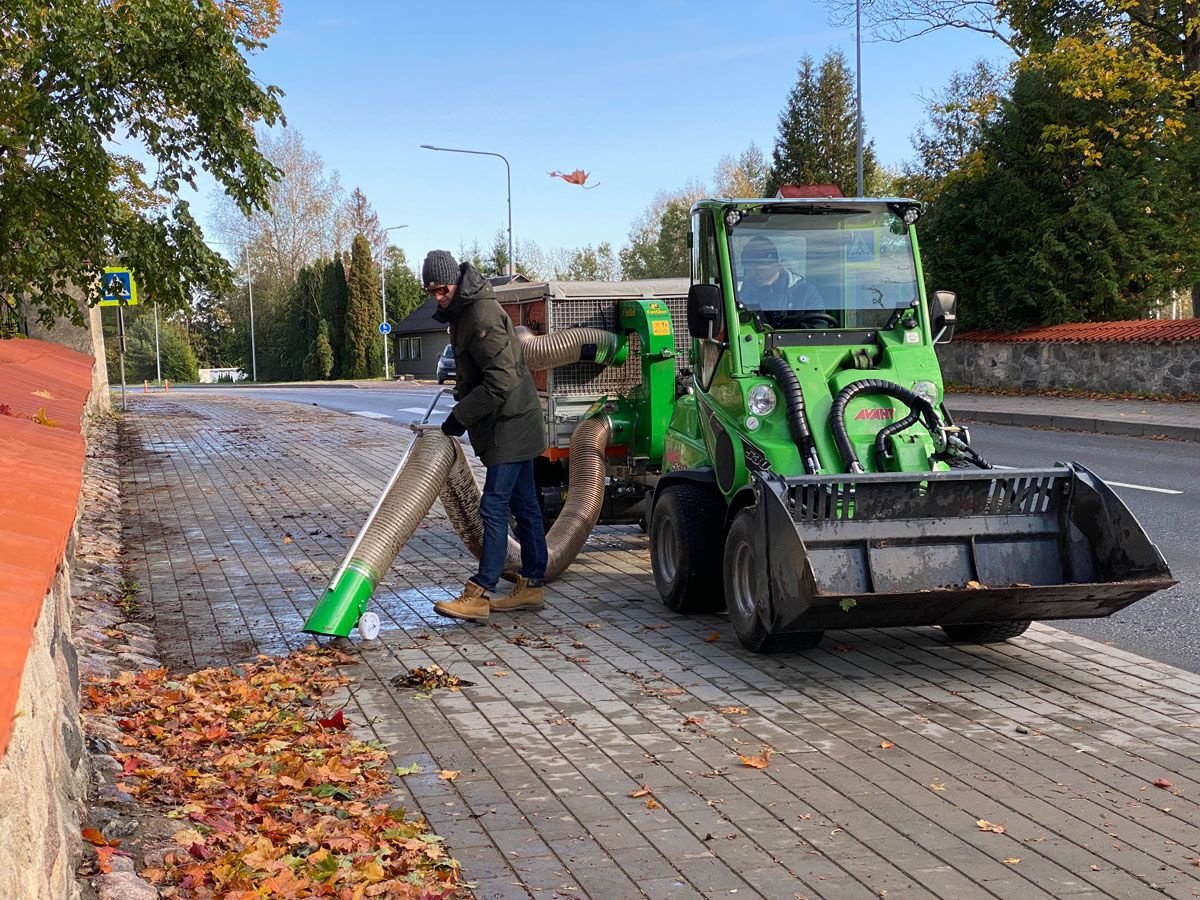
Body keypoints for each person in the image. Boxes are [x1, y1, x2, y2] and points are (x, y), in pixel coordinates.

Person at [422, 250, 549, 623]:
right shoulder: (464, 312)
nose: (438, 297)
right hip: (510, 420)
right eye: (432, 292)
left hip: (509, 423)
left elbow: (501, 380)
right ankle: (532, 585)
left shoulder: (480, 314)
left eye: (442, 290)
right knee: (525, 506)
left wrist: (459, 417)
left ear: (456, 283)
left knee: (493, 507)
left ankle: (481, 592)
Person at [737, 235, 826, 318]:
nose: (751, 271)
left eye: (757, 266)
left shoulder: (805, 294)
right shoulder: (740, 297)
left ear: (774, 263)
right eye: (747, 266)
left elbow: (818, 326)